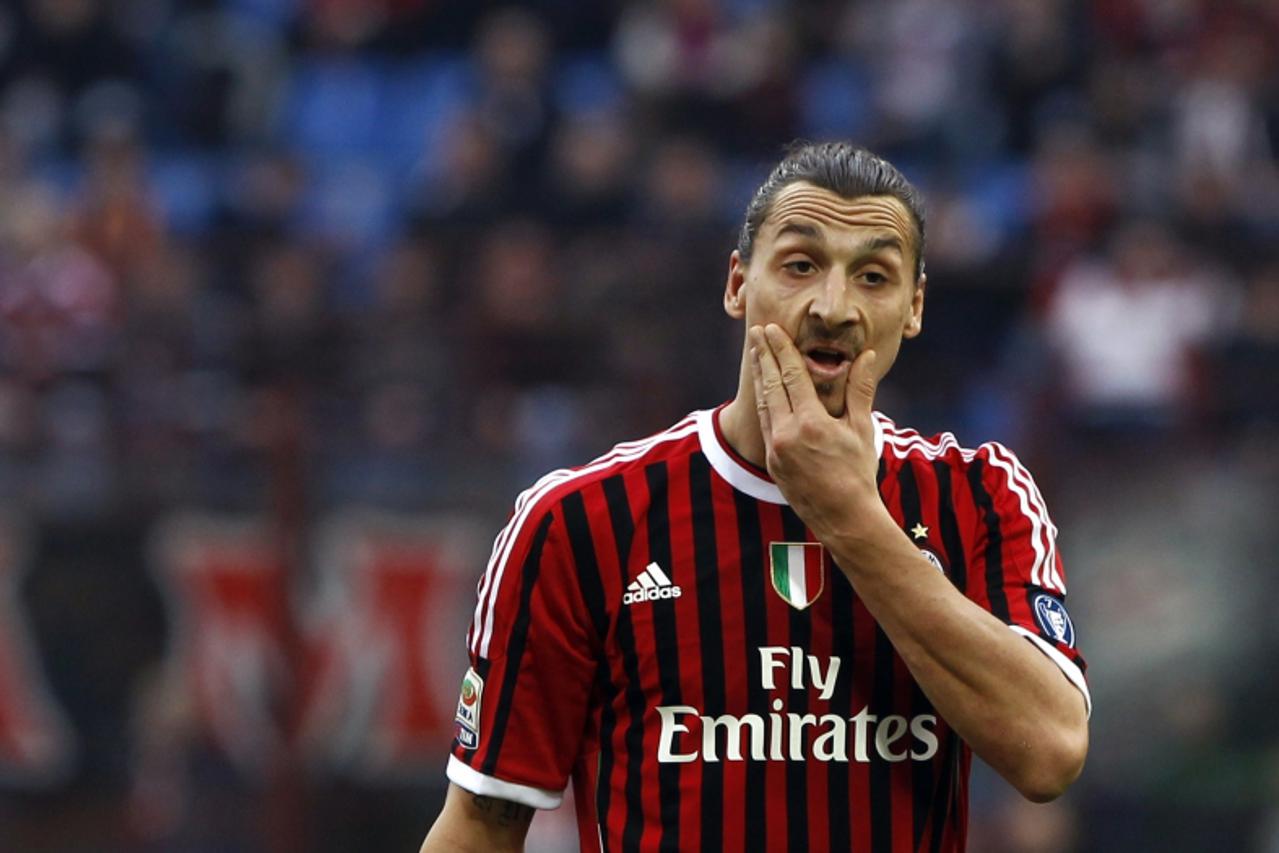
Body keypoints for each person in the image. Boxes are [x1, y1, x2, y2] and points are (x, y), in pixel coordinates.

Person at [421, 142, 1090, 852]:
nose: (832, 307)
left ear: (914, 306)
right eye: (800, 265)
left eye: (873, 275)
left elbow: (1047, 750)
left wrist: (853, 519)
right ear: (738, 283)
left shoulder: (980, 496)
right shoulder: (581, 522)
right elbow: (481, 822)